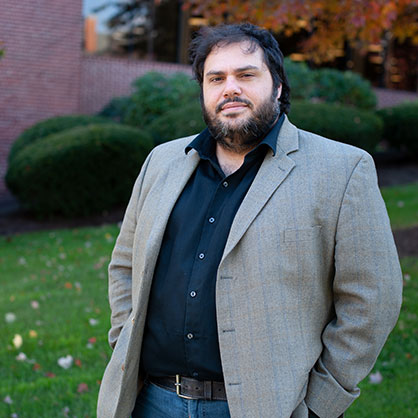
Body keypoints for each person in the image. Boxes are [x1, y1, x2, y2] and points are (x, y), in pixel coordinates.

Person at [97, 23, 402, 418]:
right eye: (216, 78)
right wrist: (124, 340)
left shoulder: (342, 170)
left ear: (277, 86)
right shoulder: (161, 162)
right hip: (152, 401)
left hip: (269, 407)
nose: (230, 89)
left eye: (246, 75)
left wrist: (320, 405)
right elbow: (125, 266)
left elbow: (372, 300)